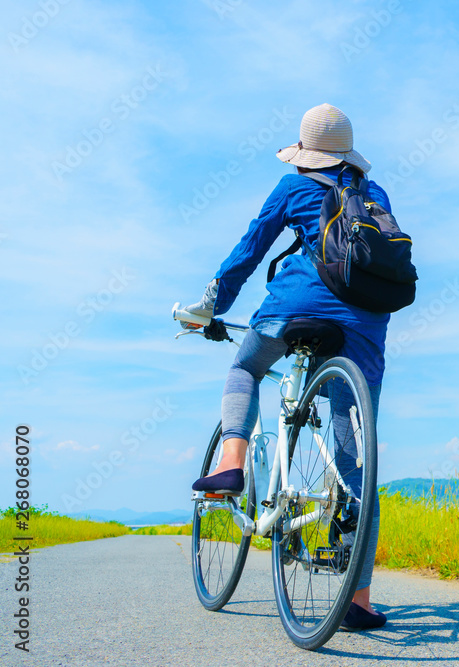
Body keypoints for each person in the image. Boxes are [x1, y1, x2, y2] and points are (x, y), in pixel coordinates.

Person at [185, 103, 389, 630]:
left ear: (305, 154)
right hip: (365, 327)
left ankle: (231, 461)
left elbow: (249, 249)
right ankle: (358, 601)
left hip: (294, 307)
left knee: (246, 368)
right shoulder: (375, 194)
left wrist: (213, 304)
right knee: (354, 464)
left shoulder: (292, 188)